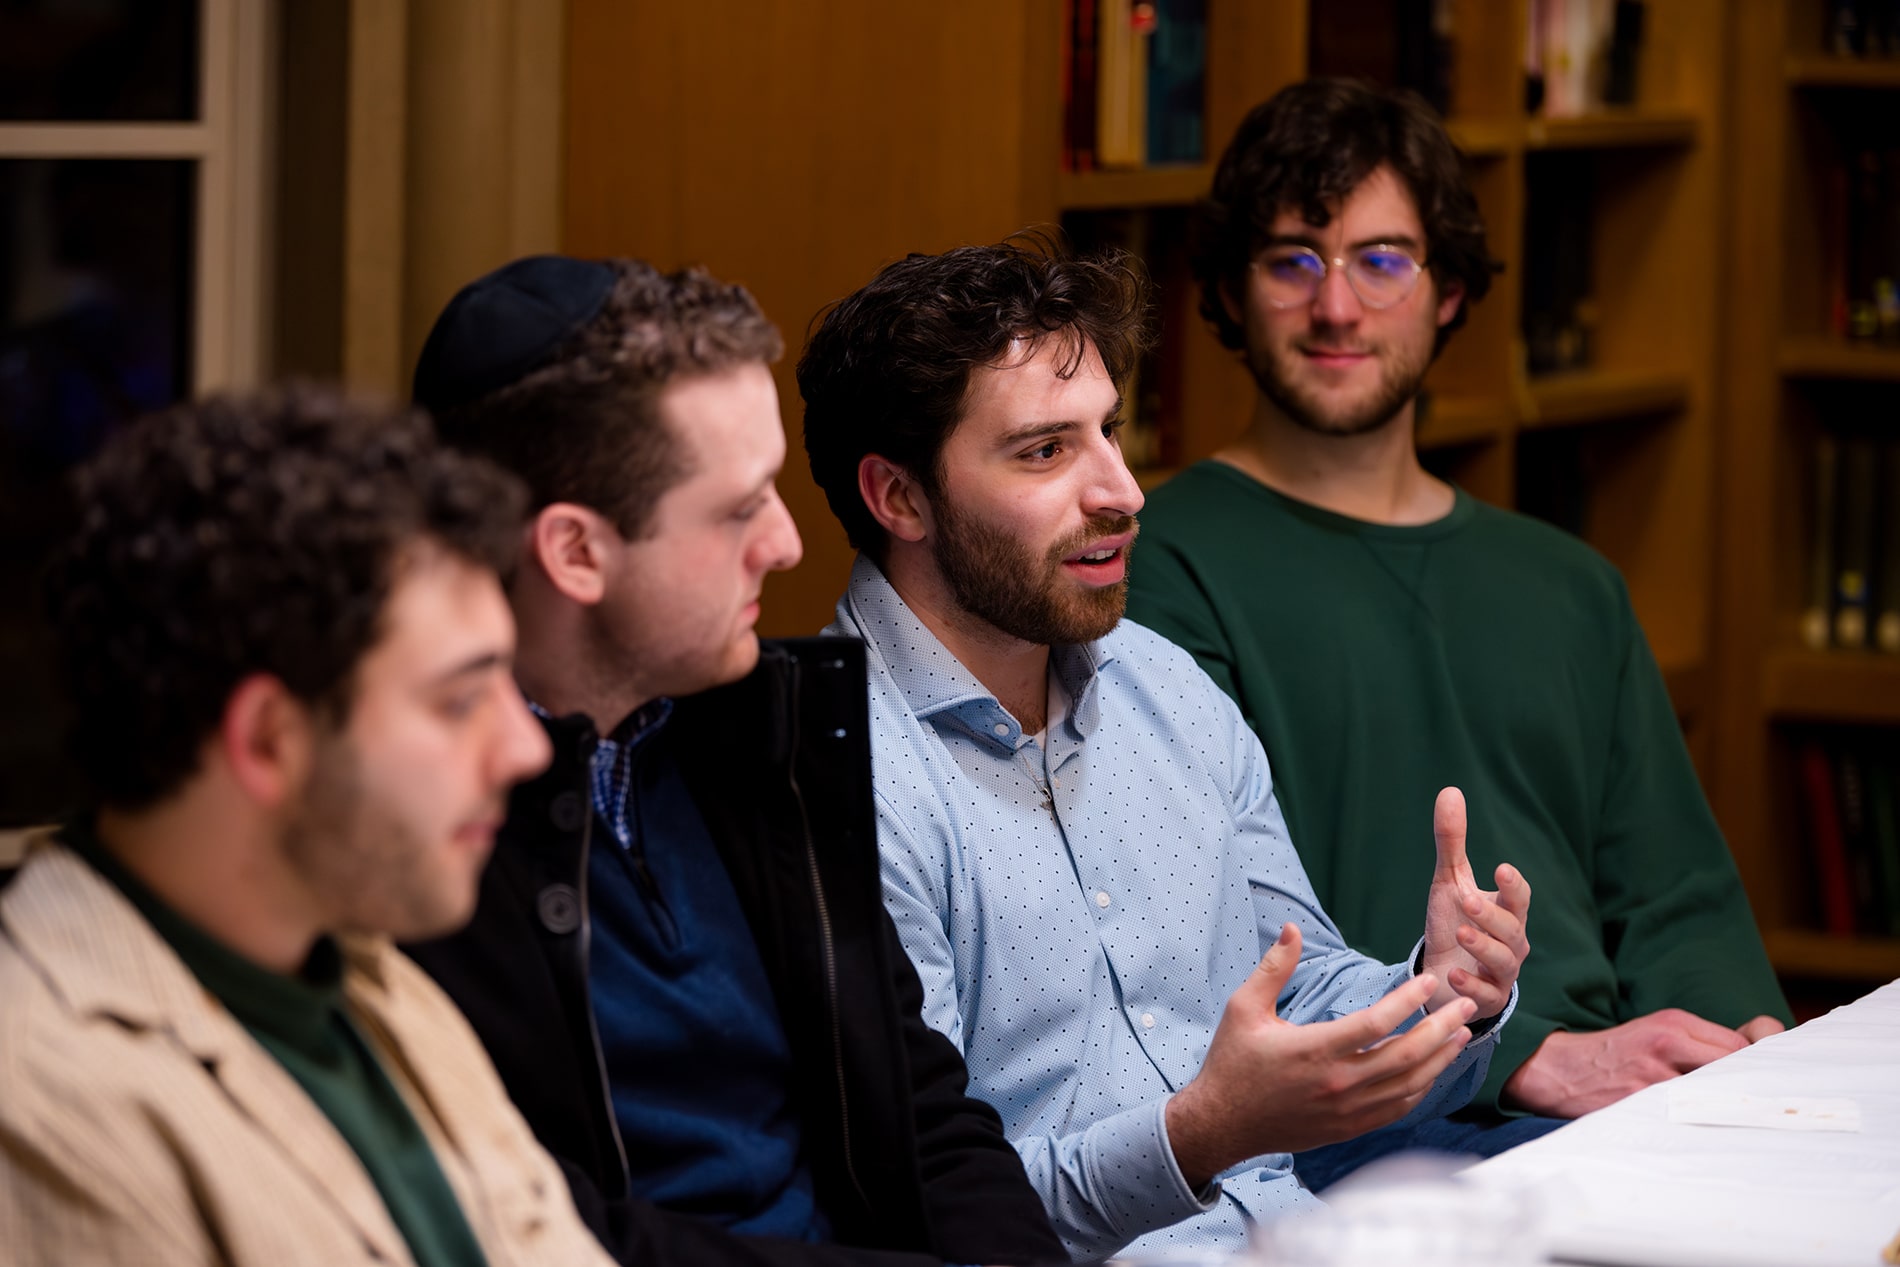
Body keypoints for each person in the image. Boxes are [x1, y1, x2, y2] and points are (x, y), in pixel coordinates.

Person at [797, 236, 1532, 1261]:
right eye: (1045, 451)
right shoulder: (832, 777)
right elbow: (927, 1212)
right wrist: (1200, 1134)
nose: (1123, 490)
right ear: (899, 498)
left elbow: (1299, 990)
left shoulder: (1161, 681)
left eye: (1108, 430)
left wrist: (1440, 991)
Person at [1124, 77, 1791, 1184]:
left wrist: (1751, 1054)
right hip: (1364, 1127)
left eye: (1382, 260)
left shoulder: (1570, 585)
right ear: (1231, 292)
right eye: (1292, 261)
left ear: (1449, 293)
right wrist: (1522, 1055)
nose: (1337, 308)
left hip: (1615, 1109)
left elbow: (1677, 900)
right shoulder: (1157, 566)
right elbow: (1198, 935)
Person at [403, 254, 1064, 1267]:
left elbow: (927, 1114)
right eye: (738, 508)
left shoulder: (769, 746)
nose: (787, 544)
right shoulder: (414, 835)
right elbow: (543, 1232)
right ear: (575, 552)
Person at [0, 385, 619, 1265]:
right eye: (459, 700)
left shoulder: (366, 978)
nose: (525, 748)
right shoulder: (47, 1098)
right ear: (269, 738)